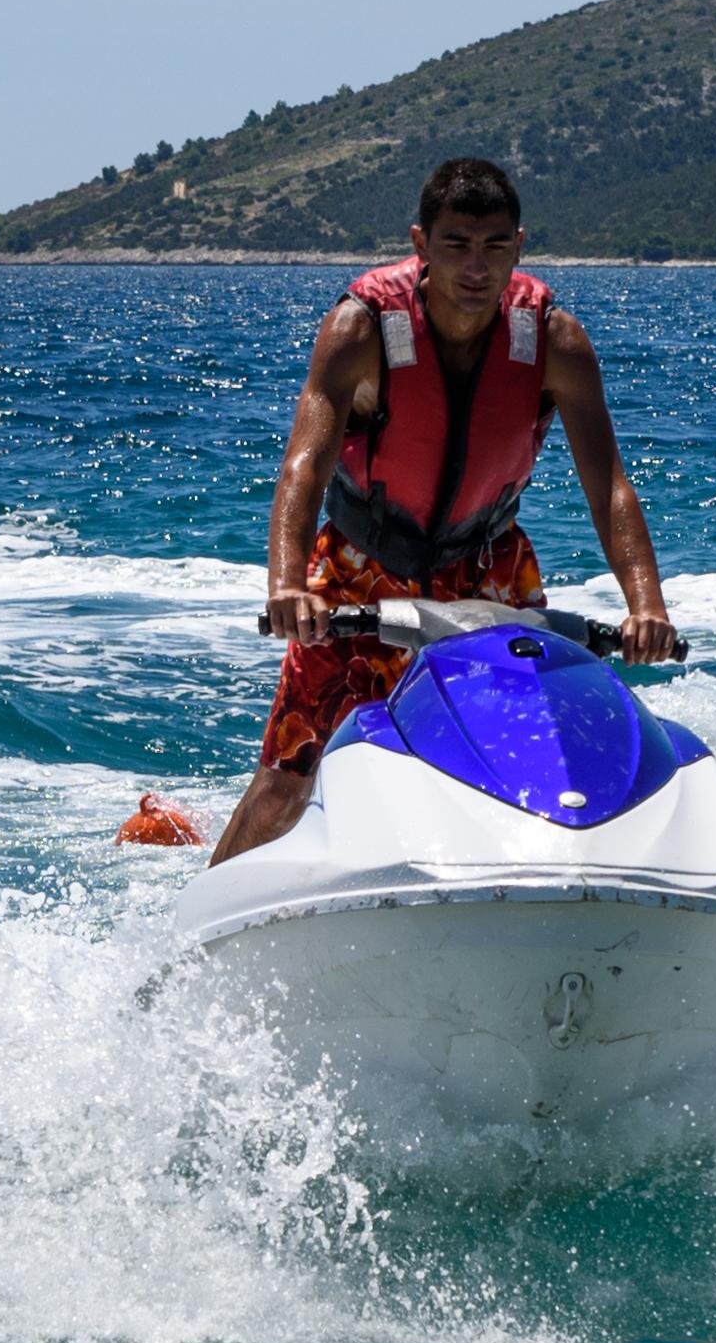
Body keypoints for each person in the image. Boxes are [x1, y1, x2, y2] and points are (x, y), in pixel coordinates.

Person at [205, 157, 680, 863]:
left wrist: (648, 606)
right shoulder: (360, 330)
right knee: (286, 782)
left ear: (519, 246)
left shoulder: (556, 343)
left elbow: (607, 481)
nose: (476, 268)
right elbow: (304, 462)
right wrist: (286, 585)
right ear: (420, 244)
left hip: (489, 575)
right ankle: (195, 944)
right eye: (456, 244)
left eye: (494, 247)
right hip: (358, 574)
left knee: (530, 766)